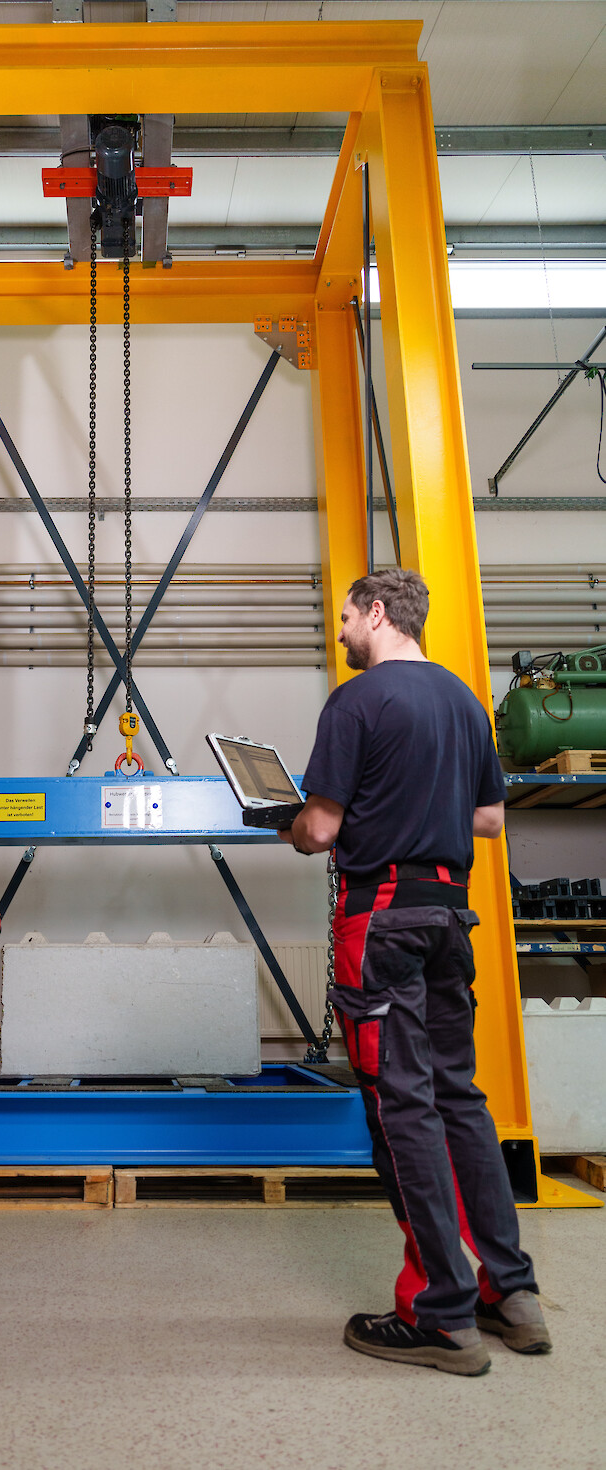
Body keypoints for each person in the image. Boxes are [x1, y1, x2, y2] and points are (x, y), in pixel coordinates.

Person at [282, 568, 549, 1375]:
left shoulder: (357, 702)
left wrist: (290, 824)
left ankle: (440, 1316)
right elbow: (490, 818)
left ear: (376, 612)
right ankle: (510, 1292)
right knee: (458, 1097)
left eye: (345, 617)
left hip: (383, 919)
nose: (339, 632)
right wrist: (413, 804)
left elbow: (320, 830)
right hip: (448, 916)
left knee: (402, 1108)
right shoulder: (466, 700)